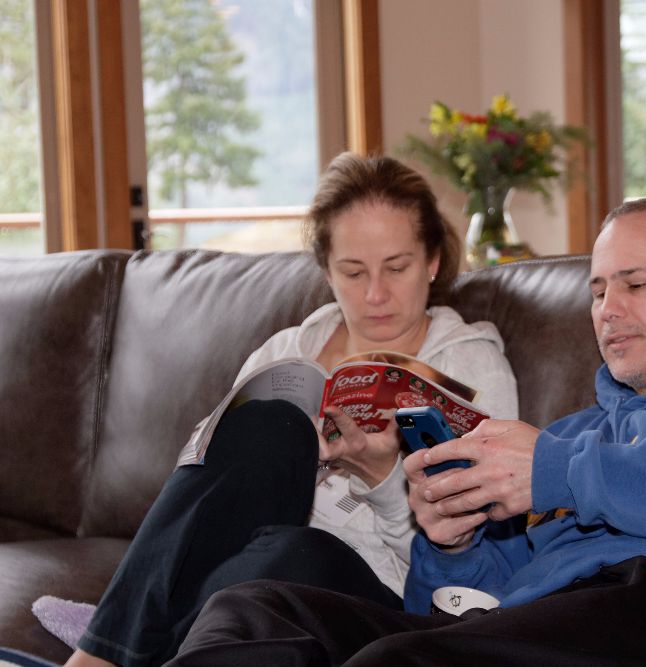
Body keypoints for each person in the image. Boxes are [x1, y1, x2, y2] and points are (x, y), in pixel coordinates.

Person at [162, 197, 646, 667]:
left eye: (635, 284)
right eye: (597, 290)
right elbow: (464, 598)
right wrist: (453, 543)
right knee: (254, 612)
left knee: (399, 662)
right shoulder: (579, 432)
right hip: (550, 617)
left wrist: (562, 471)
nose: (608, 309)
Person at [64, 152, 518, 667]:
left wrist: (381, 477)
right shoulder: (287, 351)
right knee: (270, 429)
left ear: (432, 261)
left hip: (378, 598)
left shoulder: (472, 366)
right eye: (352, 271)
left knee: (295, 553)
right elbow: (198, 495)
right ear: (326, 270)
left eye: (397, 267)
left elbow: (482, 554)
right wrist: (297, 458)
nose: (375, 294)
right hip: (250, 575)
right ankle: (98, 658)